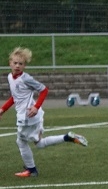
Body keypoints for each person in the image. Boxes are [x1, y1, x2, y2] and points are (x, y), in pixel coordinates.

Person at [0, 47, 88, 177]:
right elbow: (15, 97)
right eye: (15, 63)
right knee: (39, 144)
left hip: (28, 116)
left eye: (21, 63)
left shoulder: (26, 78)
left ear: (24, 66)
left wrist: (36, 107)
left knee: (21, 142)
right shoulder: (10, 77)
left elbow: (44, 90)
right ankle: (67, 137)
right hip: (33, 115)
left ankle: (31, 170)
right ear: (10, 63)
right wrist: (3, 109)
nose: (17, 66)